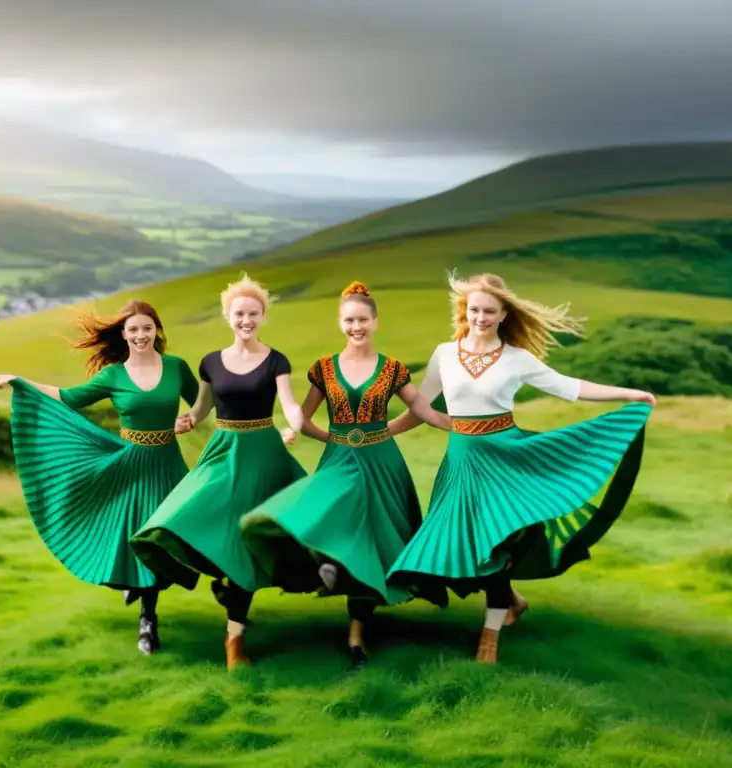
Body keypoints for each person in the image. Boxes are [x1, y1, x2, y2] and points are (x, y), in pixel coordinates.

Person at [386, 272, 655, 664]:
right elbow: (421, 407)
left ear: (503, 314)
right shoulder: (445, 353)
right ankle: (511, 601)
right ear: (466, 310)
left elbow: (570, 387)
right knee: (465, 549)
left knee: (497, 546)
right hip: (461, 466)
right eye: (474, 309)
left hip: (508, 459)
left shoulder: (516, 359)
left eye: (489, 311)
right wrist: (382, 433)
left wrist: (630, 393)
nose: (480, 317)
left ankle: (489, 636)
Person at [240, 281, 448, 670]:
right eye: (350, 320)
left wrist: (466, 428)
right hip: (338, 460)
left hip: (382, 464)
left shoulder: (392, 369)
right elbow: (303, 415)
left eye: (363, 320)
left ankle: (356, 639)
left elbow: (424, 411)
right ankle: (325, 569)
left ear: (375, 321)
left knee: (372, 546)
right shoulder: (324, 368)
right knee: (327, 517)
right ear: (341, 322)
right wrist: (308, 432)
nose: (357, 327)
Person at [0, 299, 199, 656]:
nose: (141, 335)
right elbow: (69, 398)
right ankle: (148, 619)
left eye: (147, 328)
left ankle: (167, 592)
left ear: (156, 330)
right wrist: (20, 382)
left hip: (168, 465)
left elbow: (203, 398)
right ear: (124, 335)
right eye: (133, 330)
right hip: (130, 466)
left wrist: (191, 416)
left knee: (172, 539)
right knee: (138, 539)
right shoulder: (114, 375)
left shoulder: (176, 367)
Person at [129, 274, 306, 670]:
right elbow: (203, 405)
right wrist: (189, 418)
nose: (247, 320)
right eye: (239, 313)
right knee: (177, 517)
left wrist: (295, 425)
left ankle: (234, 640)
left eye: (254, 313)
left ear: (263, 316)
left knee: (249, 543)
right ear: (229, 316)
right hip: (223, 451)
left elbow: (289, 403)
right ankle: (214, 582)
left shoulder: (277, 360)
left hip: (263, 454)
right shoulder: (210, 362)